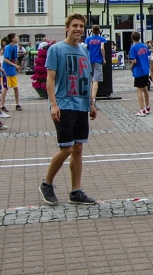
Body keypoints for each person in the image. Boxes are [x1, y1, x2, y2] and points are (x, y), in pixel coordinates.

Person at [39, 14, 98, 206]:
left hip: (81, 104)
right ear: (67, 27)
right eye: (74, 25)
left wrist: (91, 103)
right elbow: (50, 78)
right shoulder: (56, 50)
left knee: (78, 149)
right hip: (64, 104)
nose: (78, 29)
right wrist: (53, 104)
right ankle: (47, 183)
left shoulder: (84, 50)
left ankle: (76, 191)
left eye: (81, 26)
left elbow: (86, 78)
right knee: (66, 148)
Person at [129, 31, 151, 116]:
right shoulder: (144, 46)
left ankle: (141, 110)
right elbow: (148, 55)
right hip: (145, 69)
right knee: (145, 89)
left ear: (132, 38)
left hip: (138, 70)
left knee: (139, 90)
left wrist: (131, 66)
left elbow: (134, 60)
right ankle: (147, 107)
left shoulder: (133, 48)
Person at [84, 25, 106, 100]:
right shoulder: (102, 39)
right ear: (99, 31)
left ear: (92, 31)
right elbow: (102, 48)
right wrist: (104, 58)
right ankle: (93, 98)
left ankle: (88, 96)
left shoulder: (88, 39)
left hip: (89, 60)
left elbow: (85, 47)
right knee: (96, 80)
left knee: (90, 79)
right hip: (98, 60)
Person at [2, 32, 23, 111]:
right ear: (12, 39)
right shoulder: (8, 47)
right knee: (5, 87)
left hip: (12, 70)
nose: (17, 38)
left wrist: (17, 66)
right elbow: (5, 59)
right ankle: (2, 106)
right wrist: (15, 65)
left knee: (15, 87)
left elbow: (15, 58)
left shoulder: (15, 47)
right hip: (6, 70)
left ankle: (17, 104)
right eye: (16, 37)